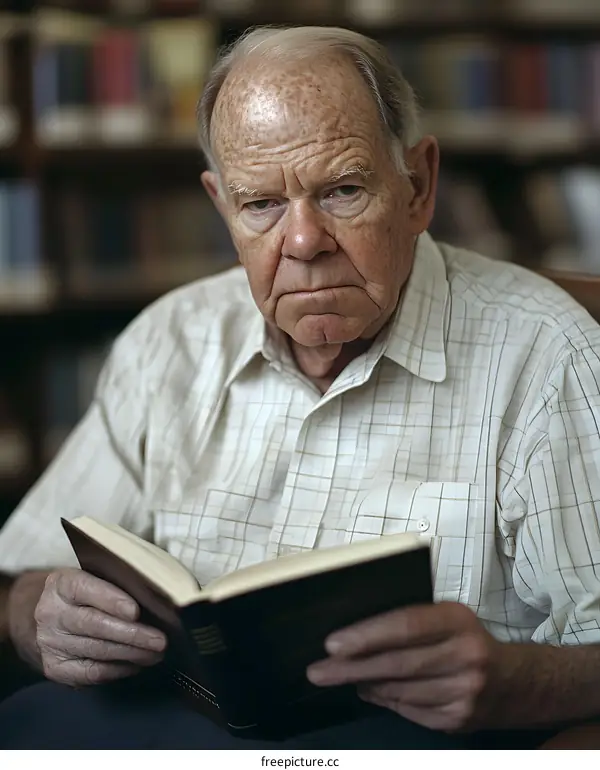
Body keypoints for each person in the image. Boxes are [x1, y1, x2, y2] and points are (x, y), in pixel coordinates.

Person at [0, 25, 599, 750]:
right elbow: (20, 575)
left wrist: (515, 682)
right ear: (222, 207)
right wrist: (37, 614)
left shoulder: (548, 355)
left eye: (342, 190)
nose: (305, 241)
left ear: (418, 186)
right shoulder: (171, 341)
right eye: (261, 204)